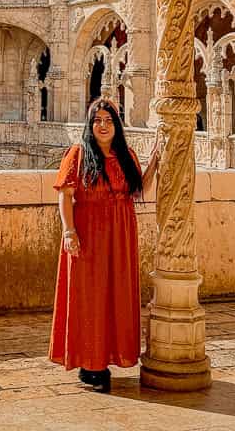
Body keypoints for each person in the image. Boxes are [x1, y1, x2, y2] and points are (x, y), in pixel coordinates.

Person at [48, 97, 159, 393]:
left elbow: (138, 190)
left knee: (115, 295)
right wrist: (69, 232)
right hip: (88, 232)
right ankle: (91, 363)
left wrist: (156, 161)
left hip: (120, 233)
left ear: (117, 125)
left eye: (108, 120)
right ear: (90, 125)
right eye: (97, 120)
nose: (103, 125)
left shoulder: (126, 155)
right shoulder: (79, 154)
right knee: (90, 296)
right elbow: (65, 196)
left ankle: (104, 359)